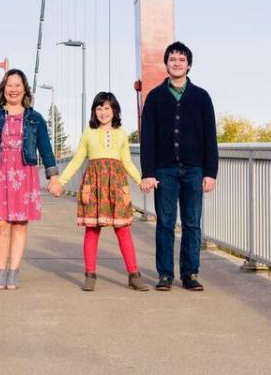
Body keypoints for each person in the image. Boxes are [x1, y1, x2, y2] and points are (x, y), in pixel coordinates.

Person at [47, 92, 151, 292]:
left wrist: (140, 180)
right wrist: (61, 181)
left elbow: (127, 161)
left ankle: (133, 275)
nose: (103, 112)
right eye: (99, 108)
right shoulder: (88, 133)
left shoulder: (121, 133)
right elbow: (78, 160)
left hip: (116, 185)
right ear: (94, 111)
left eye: (107, 108)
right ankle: (90, 274)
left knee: (123, 231)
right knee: (92, 230)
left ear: (114, 111)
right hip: (93, 184)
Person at [0, 69, 57, 290]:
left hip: (24, 172)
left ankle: (14, 270)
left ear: (24, 89)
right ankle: (0, 270)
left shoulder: (35, 119)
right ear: (3, 89)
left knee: (20, 224)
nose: (13, 89)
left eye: (17, 85)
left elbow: (45, 148)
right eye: (9, 85)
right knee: (0, 223)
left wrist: (53, 177)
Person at [139, 41, 218, 292]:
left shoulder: (202, 97)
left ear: (189, 65)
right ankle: (165, 274)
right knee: (165, 222)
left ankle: (190, 273)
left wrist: (210, 173)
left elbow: (210, 137)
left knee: (192, 223)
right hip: (164, 170)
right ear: (166, 63)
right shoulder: (154, 98)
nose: (177, 63)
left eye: (182, 60)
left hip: (195, 169)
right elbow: (147, 138)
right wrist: (148, 172)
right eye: (172, 59)